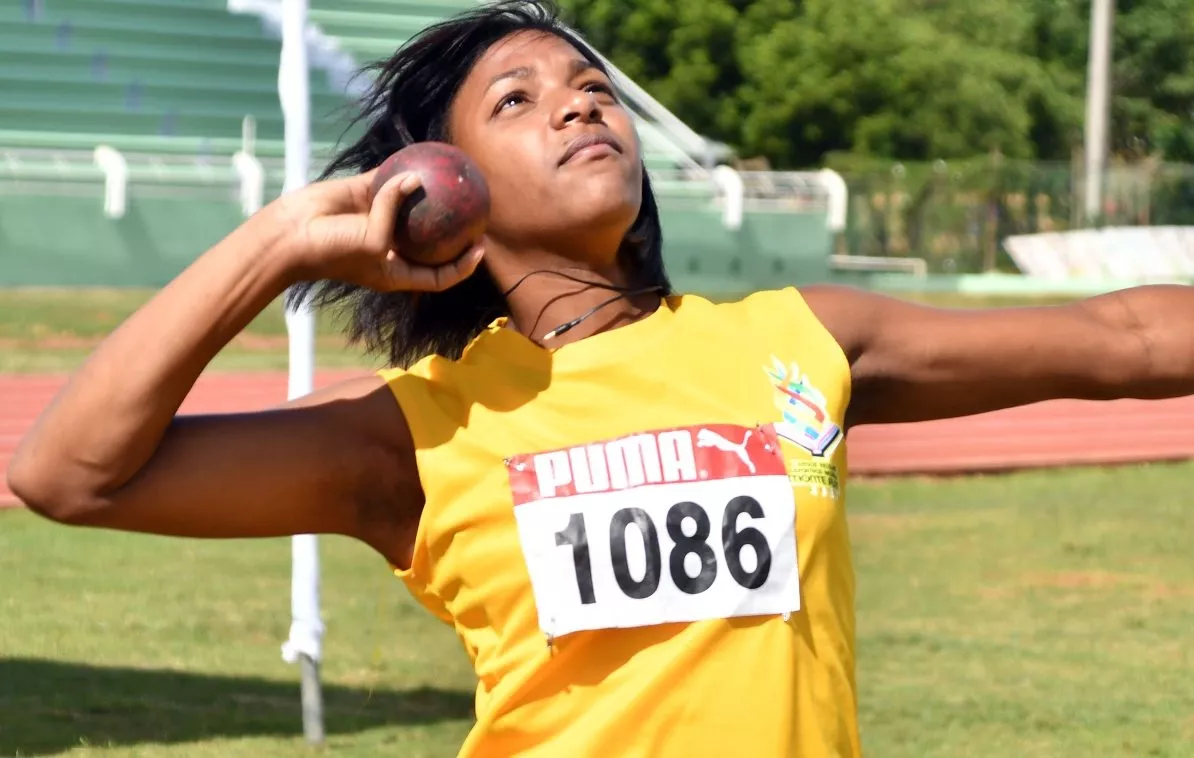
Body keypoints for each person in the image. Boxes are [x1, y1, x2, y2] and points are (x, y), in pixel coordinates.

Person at [9, 1, 1194, 756]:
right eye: (514, 100)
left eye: (589, 86)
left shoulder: (799, 340)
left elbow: (1128, 341)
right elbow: (69, 472)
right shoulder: (417, 436)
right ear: (441, 183)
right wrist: (278, 243)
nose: (579, 101)